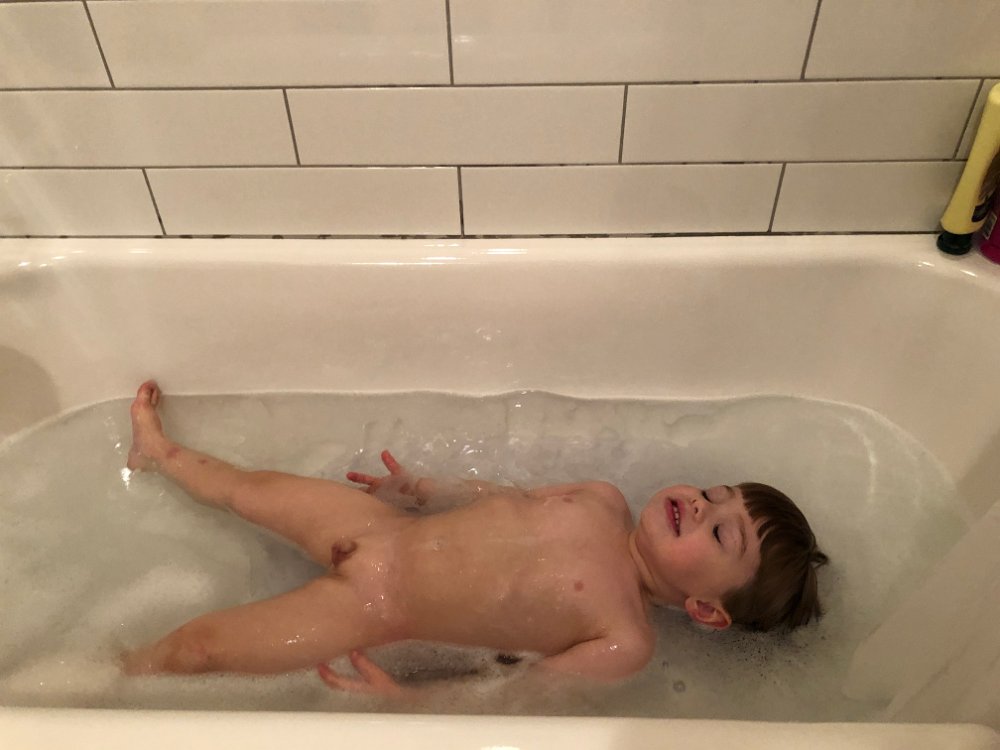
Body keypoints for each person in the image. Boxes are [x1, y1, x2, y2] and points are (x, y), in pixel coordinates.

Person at [121, 380, 828, 694]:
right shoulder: (604, 499)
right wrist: (423, 490)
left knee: (199, 650)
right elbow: (501, 501)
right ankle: (162, 453)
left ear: (707, 609)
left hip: (372, 607)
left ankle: (115, 678)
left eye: (721, 531)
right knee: (248, 488)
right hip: (376, 530)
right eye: (714, 494)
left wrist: (408, 705)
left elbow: (515, 695)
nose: (699, 504)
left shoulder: (624, 640)